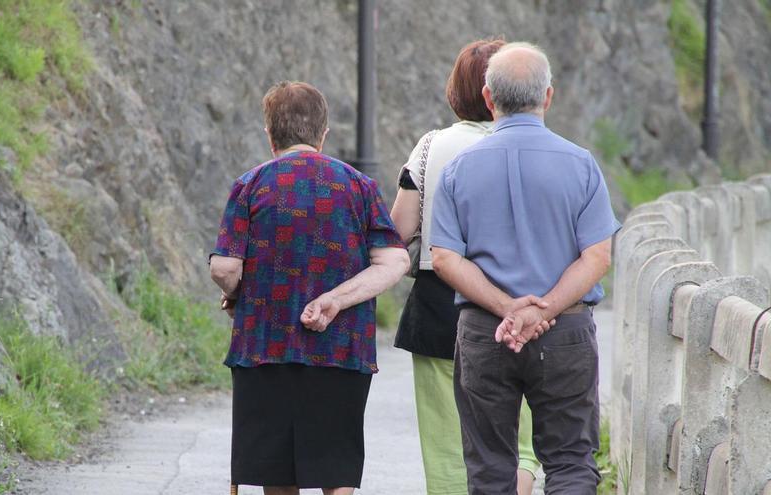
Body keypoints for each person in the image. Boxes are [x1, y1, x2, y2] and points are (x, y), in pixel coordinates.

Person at [431, 42, 620, 494]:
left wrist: (507, 308)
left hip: (484, 332)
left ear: (489, 99)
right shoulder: (582, 166)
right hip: (565, 332)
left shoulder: (458, 170)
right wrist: (543, 309)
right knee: (572, 462)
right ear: (548, 97)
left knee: (490, 468)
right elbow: (597, 257)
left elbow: (443, 257)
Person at [209, 80, 409, 495]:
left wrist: (236, 290)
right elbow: (395, 260)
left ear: (270, 135)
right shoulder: (358, 186)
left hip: (264, 350)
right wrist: (336, 299)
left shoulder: (250, 185)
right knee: (337, 470)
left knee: (276, 475)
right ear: (323, 134)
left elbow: (226, 267)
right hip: (341, 352)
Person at [389, 39, 541, 495]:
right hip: (519, 306)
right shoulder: (534, 147)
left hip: (439, 307)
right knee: (517, 442)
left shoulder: (431, 147)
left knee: (448, 445)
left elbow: (398, 230)